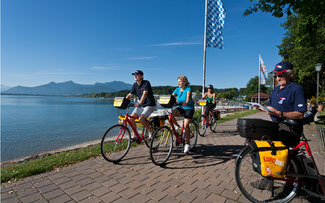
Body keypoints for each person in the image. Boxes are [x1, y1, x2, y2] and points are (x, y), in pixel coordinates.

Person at [252, 61, 307, 190]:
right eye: (276, 76)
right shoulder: (276, 89)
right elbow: (271, 106)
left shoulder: (296, 89)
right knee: (255, 139)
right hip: (276, 125)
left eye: (280, 75)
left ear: (290, 74)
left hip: (291, 127)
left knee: (274, 149)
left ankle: (288, 186)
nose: (277, 78)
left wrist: (280, 113)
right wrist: (263, 109)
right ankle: (268, 178)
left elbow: (300, 114)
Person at [125, 70, 156, 142]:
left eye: (137, 75)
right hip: (141, 106)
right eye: (134, 75)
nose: (135, 76)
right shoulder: (135, 85)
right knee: (131, 119)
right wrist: (124, 102)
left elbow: (144, 94)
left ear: (141, 76)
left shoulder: (146, 83)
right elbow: (129, 95)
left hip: (150, 105)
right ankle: (135, 135)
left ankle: (151, 131)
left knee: (141, 118)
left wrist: (139, 103)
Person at [171, 75, 195, 154]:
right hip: (181, 107)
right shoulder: (177, 89)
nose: (178, 83)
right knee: (170, 115)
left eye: (180, 81)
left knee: (186, 126)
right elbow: (172, 97)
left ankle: (187, 144)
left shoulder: (188, 89)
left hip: (189, 108)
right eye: (178, 82)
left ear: (184, 82)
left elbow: (187, 99)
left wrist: (185, 103)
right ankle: (177, 127)